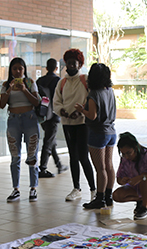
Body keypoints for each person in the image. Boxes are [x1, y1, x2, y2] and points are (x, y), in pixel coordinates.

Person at [53, 49, 96, 202]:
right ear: (65, 63)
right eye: (69, 62)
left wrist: (81, 112)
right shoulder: (62, 83)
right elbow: (56, 102)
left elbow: (91, 99)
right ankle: (76, 188)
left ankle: (93, 190)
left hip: (83, 123)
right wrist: (62, 111)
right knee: (73, 156)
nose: (71, 65)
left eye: (74, 62)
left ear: (80, 64)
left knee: (84, 157)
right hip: (67, 123)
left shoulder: (85, 80)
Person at [75, 63, 117, 209]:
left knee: (100, 168)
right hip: (111, 132)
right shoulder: (110, 91)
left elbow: (92, 116)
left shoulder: (94, 94)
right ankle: (108, 196)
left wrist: (82, 110)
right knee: (109, 165)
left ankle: (99, 198)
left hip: (98, 133)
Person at [0, 57, 41, 203]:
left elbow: (36, 102)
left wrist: (24, 90)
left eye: (20, 68)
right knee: (15, 156)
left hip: (30, 119)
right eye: (14, 68)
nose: (17, 71)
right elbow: (1, 104)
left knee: (32, 156)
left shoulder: (30, 83)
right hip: (13, 120)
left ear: (24, 70)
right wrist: (9, 89)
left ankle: (33, 188)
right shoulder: (6, 84)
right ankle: (16, 189)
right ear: (10, 70)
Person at [112, 132, 147, 220]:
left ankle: (144, 207)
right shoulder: (124, 159)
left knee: (144, 178)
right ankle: (141, 200)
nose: (126, 157)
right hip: (135, 188)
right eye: (123, 154)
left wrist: (141, 177)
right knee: (116, 195)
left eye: (129, 153)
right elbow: (119, 179)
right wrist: (123, 180)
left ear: (135, 148)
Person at [36, 58, 67, 178]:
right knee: (48, 141)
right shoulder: (58, 81)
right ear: (56, 68)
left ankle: (59, 164)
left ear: (46, 68)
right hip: (53, 115)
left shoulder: (40, 80)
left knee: (50, 139)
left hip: (43, 115)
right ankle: (42, 168)